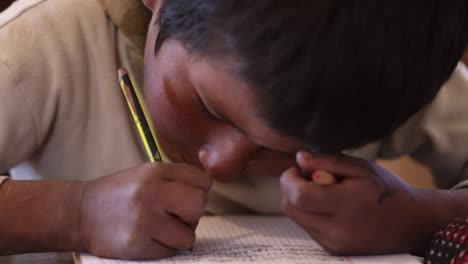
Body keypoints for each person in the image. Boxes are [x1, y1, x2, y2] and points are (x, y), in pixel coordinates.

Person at [0, 0, 467, 261]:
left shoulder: (382, 71)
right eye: (207, 105)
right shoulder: (44, 46)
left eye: (283, 149)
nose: (220, 162)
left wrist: (418, 216)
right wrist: (72, 212)